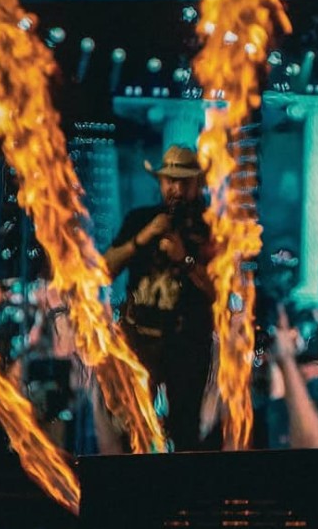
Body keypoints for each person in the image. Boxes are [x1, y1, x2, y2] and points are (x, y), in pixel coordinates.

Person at [104, 144, 215, 451]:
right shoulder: (140, 219)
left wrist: (185, 259)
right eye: (170, 181)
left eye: (183, 182)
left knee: (184, 431)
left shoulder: (211, 228)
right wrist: (143, 239)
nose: (175, 189)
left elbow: (218, 291)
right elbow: (105, 269)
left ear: (197, 184)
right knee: (133, 427)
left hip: (187, 346)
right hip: (140, 342)